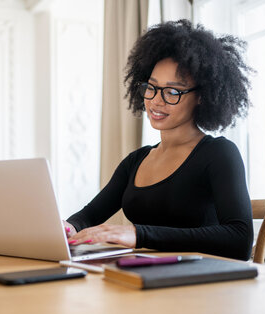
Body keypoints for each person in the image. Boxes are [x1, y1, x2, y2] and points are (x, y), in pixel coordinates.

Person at [64, 19, 254, 261]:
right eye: (152, 87)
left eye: (173, 91)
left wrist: (139, 234)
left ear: (202, 97)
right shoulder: (137, 160)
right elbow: (89, 216)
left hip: (202, 287)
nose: (156, 101)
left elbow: (240, 239)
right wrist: (68, 227)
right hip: (145, 279)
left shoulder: (219, 153)